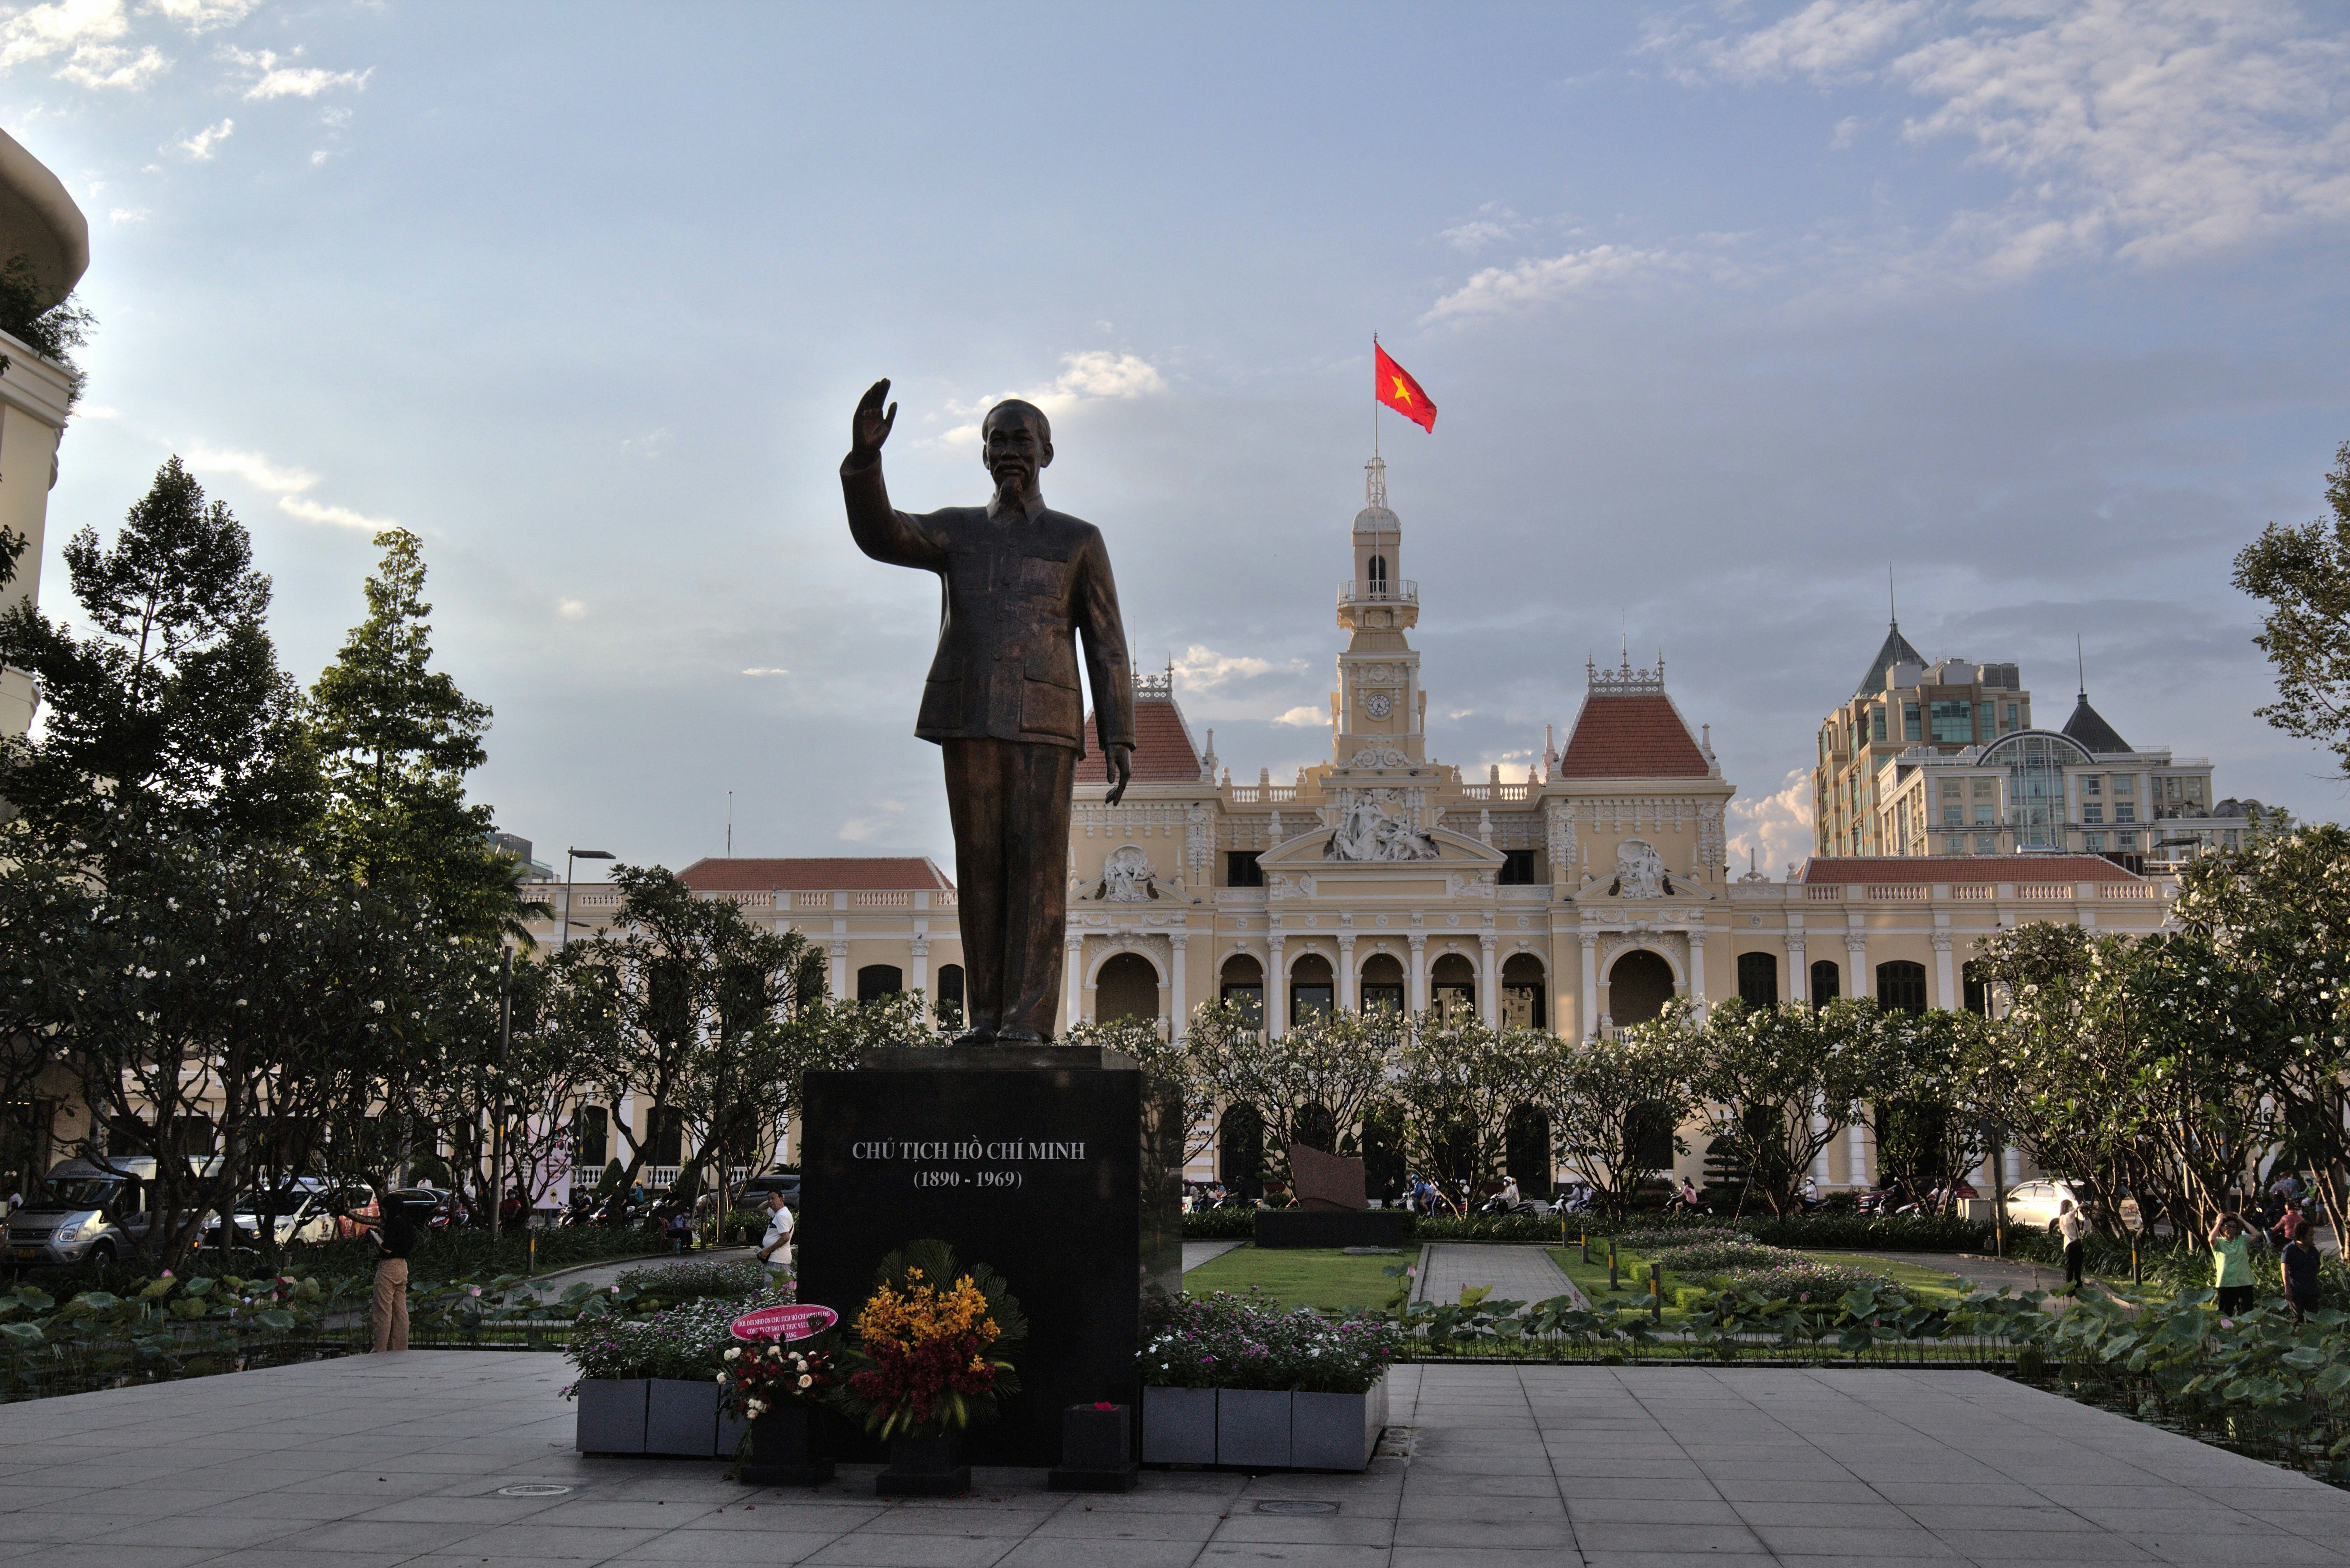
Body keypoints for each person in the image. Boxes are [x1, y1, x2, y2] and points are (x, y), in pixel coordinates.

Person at [841, 382, 1136, 1044]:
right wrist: (865, 464)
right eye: (997, 440)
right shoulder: (957, 531)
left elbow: (1107, 642)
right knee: (978, 870)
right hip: (969, 714)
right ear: (982, 456)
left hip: (1045, 722)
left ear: (1047, 453)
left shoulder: (1078, 539)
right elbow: (882, 534)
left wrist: (1119, 734)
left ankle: (1028, 1023)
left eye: (1021, 439)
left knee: (1038, 872)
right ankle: (987, 1019)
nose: (1009, 452)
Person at [369, 1191, 416, 1353]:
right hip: (403, 1267)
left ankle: (380, 1348)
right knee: (400, 1310)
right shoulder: (408, 1222)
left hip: (389, 1267)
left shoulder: (394, 1223)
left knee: (383, 1309)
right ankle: (400, 1347)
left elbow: (388, 1248)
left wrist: (377, 1239)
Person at [2210, 1213, 2257, 1316]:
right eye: (2228, 1226)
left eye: (2234, 1227)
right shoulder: (2218, 1243)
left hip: (2245, 1282)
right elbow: (2211, 1239)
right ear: (2222, 1228)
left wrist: (2243, 1221)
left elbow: (2257, 1235)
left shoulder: (2242, 1240)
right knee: (2225, 1315)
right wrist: (2218, 1223)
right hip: (2226, 1284)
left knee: (2248, 1314)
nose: (2231, 1229)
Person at [2280, 1216, 2321, 1327]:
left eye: (2313, 1235)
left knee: (2313, 1319)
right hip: (2296, 1291)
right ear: (2302, 1236)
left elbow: (2317, 1268)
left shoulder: (2313, 1250)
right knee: (2298, 1318)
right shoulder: (2290, 1250)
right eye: (2310, 1235)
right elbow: (2285, 1270)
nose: (2312, 1238)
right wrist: (2288, 1289)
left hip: (2312, 1290)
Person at [757, 1188, 795, 1284]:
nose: (770, 1201)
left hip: (777, 1259)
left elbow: (785, 1237)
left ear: (782, 1199)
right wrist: (772, 1201)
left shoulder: (781, 1215)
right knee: (775, 1290)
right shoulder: (777, 1213)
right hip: (775, 1259)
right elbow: (760, 1208)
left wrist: (768, 1250)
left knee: (773, 1290)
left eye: (773, 1198)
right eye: (768, 1199)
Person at [2057, 1198, 2088, 1292]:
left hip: (2078, 1244)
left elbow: (2086, 1226)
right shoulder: (2063, 1218)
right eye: (2070, 1206)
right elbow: (2068, 1218)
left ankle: (2078, 1288)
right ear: (2065, 1208)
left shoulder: (2075, 1220)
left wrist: (2086, 1215)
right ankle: (2069, 1289)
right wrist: (2077, 1208)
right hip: (2070, 1245)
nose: (2072, 1207)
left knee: (2078, 1268)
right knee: (2070, 1268)